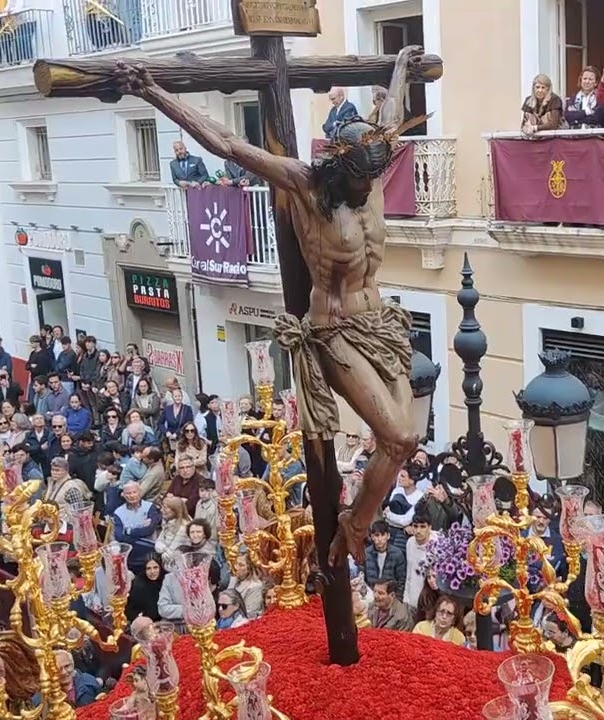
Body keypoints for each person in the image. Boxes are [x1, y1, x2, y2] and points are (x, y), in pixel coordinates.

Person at [115, 48, 425, 569]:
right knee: (399, 436)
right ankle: (354, 526)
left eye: (373, 176)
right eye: (359, 179)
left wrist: (399, 72)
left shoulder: (371, 171)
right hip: (336, 330)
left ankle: (354, 522)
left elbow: (389, 121)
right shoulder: (306, 185)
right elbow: (228, 144)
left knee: (403, 443)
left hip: (380, 325)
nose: (367, 187)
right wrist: (151, 92)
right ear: (340, 167)